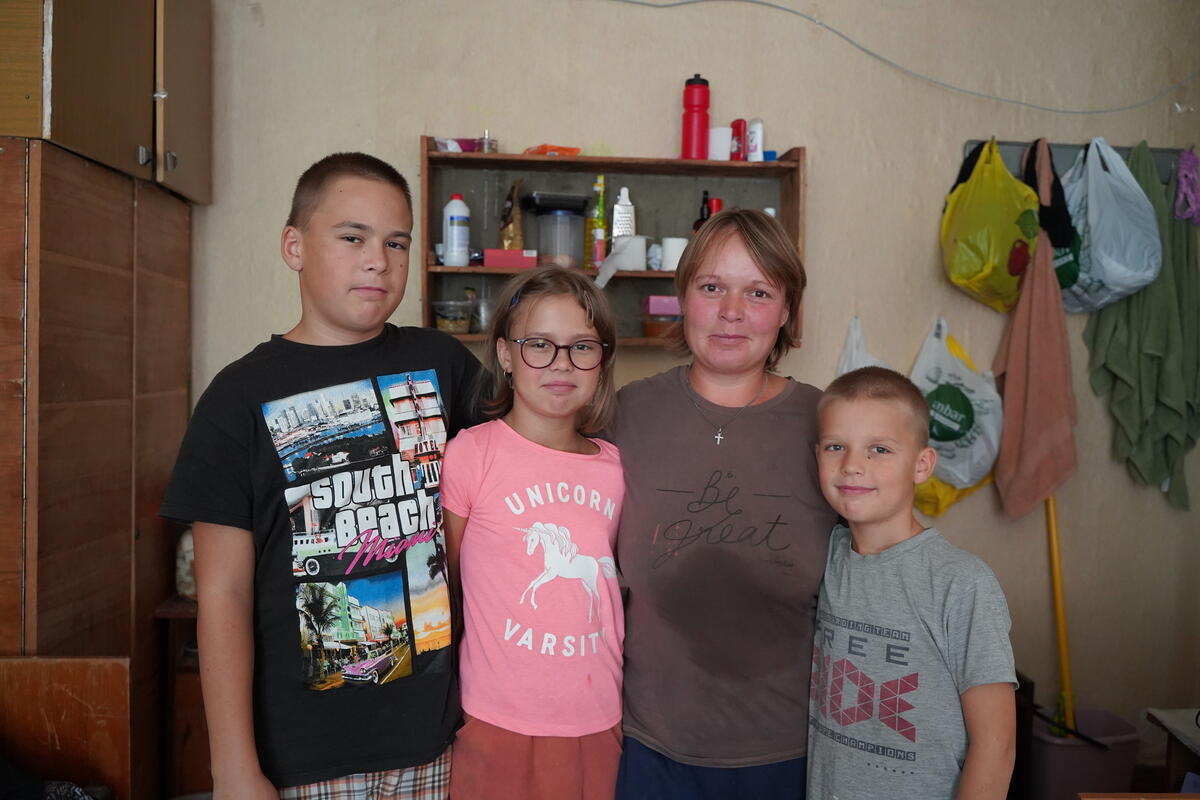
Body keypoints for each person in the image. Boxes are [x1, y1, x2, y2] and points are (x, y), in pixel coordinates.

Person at [160, 152, 481, 799]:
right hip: (303, 758)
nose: (378, 260)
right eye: (352, 237)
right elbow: (222, 594)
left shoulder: (443, 366)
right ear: (294, 246)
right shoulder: (239, 396)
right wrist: (232, 769)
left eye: (396, 242)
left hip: (440, 740)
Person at [610, 209, 838, 799]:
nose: (731, 311)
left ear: (787, 310)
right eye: (712, 287)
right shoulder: (625, 414)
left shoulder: (830, 426)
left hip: (790, 754)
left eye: (758, 291)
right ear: (683, 296)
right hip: (647, 751)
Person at [441, 267, 625, 800]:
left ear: (602, 359)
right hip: (495, 720)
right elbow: (449, 583)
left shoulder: (614, 469)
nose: (561, 364)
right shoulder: (472, 455)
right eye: (539, 344)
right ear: (504, 354)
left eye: (582, 347)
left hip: (596, 717)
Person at [808, 366, 1016, 799]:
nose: (851, 466)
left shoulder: (961, 583)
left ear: (922, 465)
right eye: (835, 446)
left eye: (879, 449)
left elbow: (996, 747)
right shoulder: (823, 557)